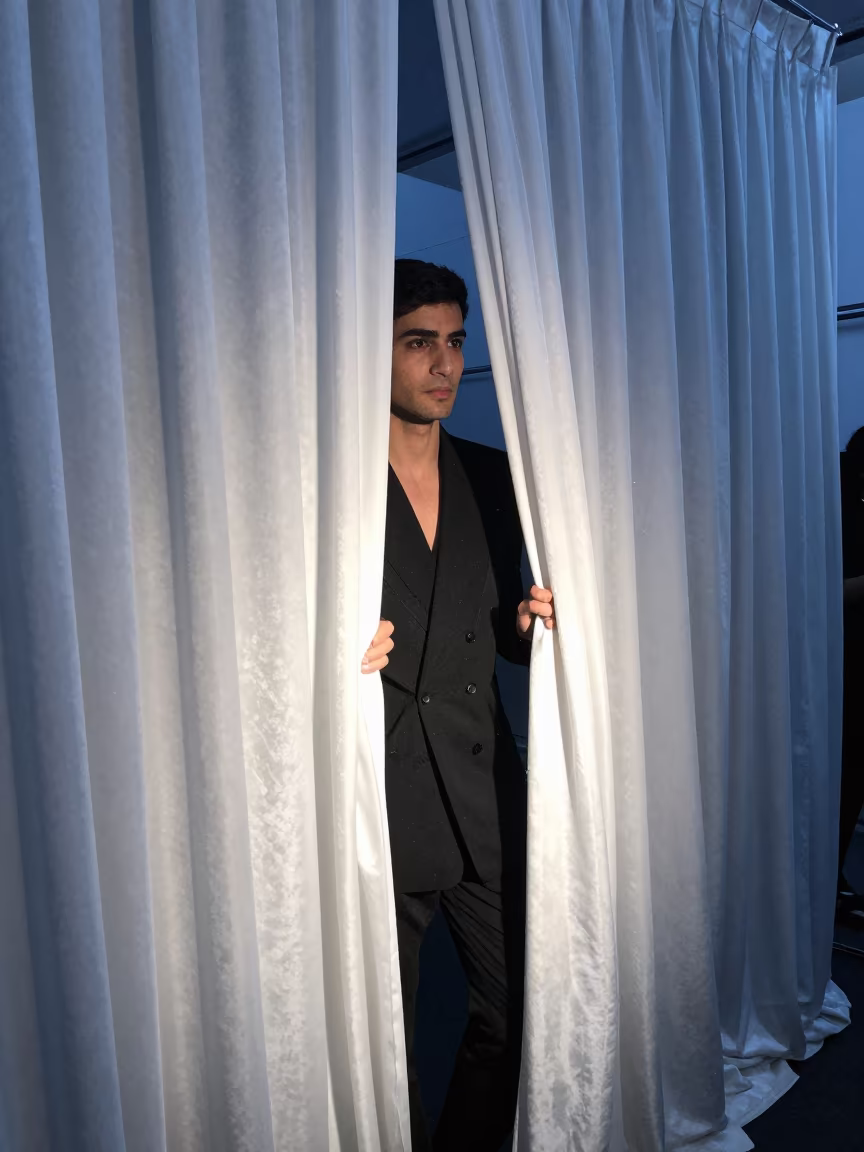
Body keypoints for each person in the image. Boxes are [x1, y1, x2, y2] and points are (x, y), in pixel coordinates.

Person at [362, 259, 555, 1151]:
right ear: (376, 352)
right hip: (384, 800)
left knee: (518, 1017)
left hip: (484, 789)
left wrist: (526, 624)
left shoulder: (494, 473)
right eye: (417, 343)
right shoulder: (334, 486)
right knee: (380, 1047)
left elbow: (499, 627)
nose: (443, 365)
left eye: (453, 343)